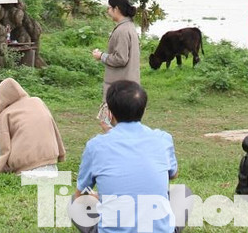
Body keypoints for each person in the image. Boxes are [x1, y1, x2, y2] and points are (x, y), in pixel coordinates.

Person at [74, 80, 181, 233]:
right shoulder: (163, 139)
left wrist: (100, 198)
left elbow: (81, 195)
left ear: (109, 113)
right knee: (183, 193)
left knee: (75, 202)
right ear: (143, 108)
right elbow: (173, 174)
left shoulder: (96, 146)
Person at [0, 77, 66, 174]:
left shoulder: (4, 115)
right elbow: (54, 129)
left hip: (25, 169)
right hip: (51, 165)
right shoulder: (38, 102)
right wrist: (61, 154)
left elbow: (3, 147)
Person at [91, 0, 140, 130]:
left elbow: (121, 58)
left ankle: (120, 148)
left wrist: (101, 56)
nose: (108, 11)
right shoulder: (129, 27)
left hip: (119, 87)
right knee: (120, 124)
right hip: (128, 85)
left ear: (116, 9)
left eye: (109, 7)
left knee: (107, 122)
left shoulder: (122, 31)